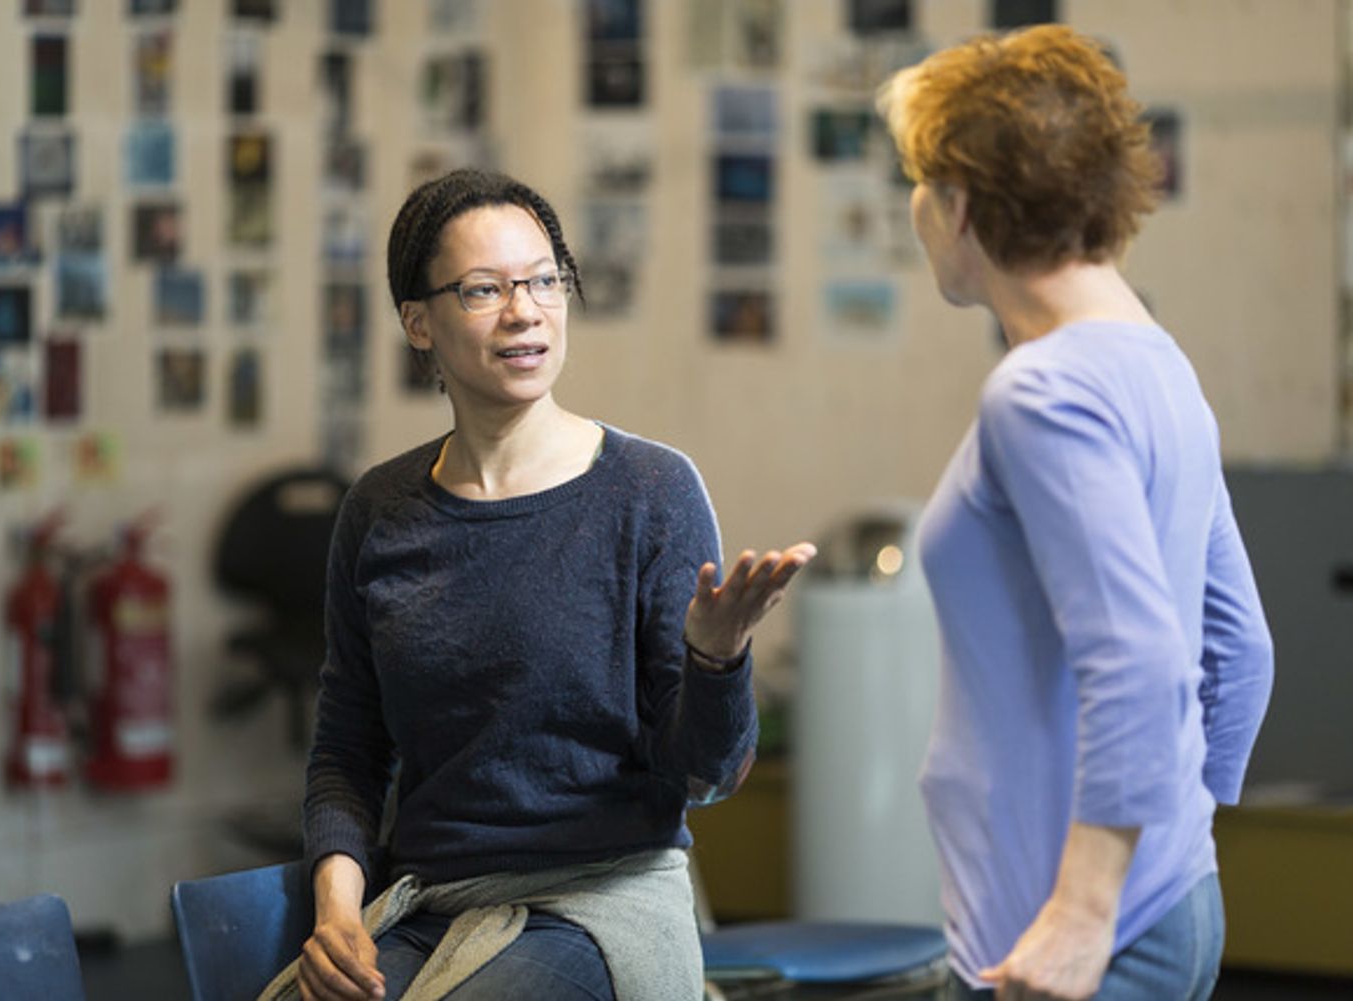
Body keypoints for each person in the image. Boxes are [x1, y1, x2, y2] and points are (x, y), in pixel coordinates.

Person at [292, 168, 815, 1001]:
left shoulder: (650, 491)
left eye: (543, 280)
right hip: (431, 899)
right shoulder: (380, 511)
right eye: (483, 289)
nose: (525, 310)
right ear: (417, 322)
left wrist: (717, 660)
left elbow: (707, 775)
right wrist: (337, 908)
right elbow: (348, 749)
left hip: (601, 897)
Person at [877, 25, 1274, 1001]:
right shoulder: (1152, 360)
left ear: (958, 204)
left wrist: (1090, 907)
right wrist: (1175, 843)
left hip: (1070, 946)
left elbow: (1138, 660)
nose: (915, 209)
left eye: (917, 184)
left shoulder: (1043, 390)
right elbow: (1240, 646)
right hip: (1151, 905)